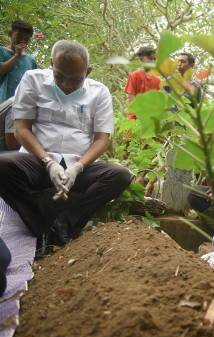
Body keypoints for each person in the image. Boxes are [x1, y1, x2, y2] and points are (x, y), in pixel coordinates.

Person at [0, 40, 132, 245]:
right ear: (52, 64)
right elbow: (21, 129)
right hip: (37, 162)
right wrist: (48, 162)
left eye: (75, 79)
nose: (67, 84)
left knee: (119, 176)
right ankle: (38, 224)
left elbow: (101, 139)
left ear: (88, 72)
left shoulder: (99, 92)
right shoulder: (32, 80)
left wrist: (78, 167)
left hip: (77, 166)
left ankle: (65, 223)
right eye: (60, 77)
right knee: (2, 165)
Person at [0, 20, 37, 104]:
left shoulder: (31, 61)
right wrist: (17, 56)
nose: (22, 40)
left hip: (23, 106)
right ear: (10, 34)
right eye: (19, 36)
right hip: (3, 105)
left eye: (26, 39)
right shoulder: (1, 51)